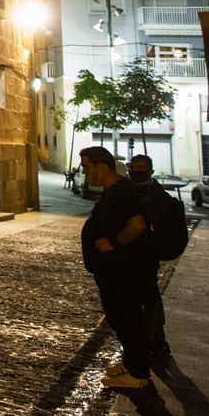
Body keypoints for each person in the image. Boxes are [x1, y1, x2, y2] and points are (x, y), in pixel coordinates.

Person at [78, 145, 155, 390]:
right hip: (114, 270)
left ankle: (137, 372)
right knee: (120, 317)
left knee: (127, 317)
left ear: (102, 166)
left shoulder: (122, 191)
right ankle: (130, 362)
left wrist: (113, 242)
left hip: (124, 269)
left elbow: (138, 224)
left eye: (87, 167)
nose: (86, 172)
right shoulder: (113, 191)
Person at [127, 153, 170, 356]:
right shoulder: (130, 192)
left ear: (150, 171)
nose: (135, 171)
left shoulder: (154, 194)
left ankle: (154, 339)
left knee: (148, 295)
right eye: (133, 167)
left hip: (145, 254)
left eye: (140, 167)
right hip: (132, 255)